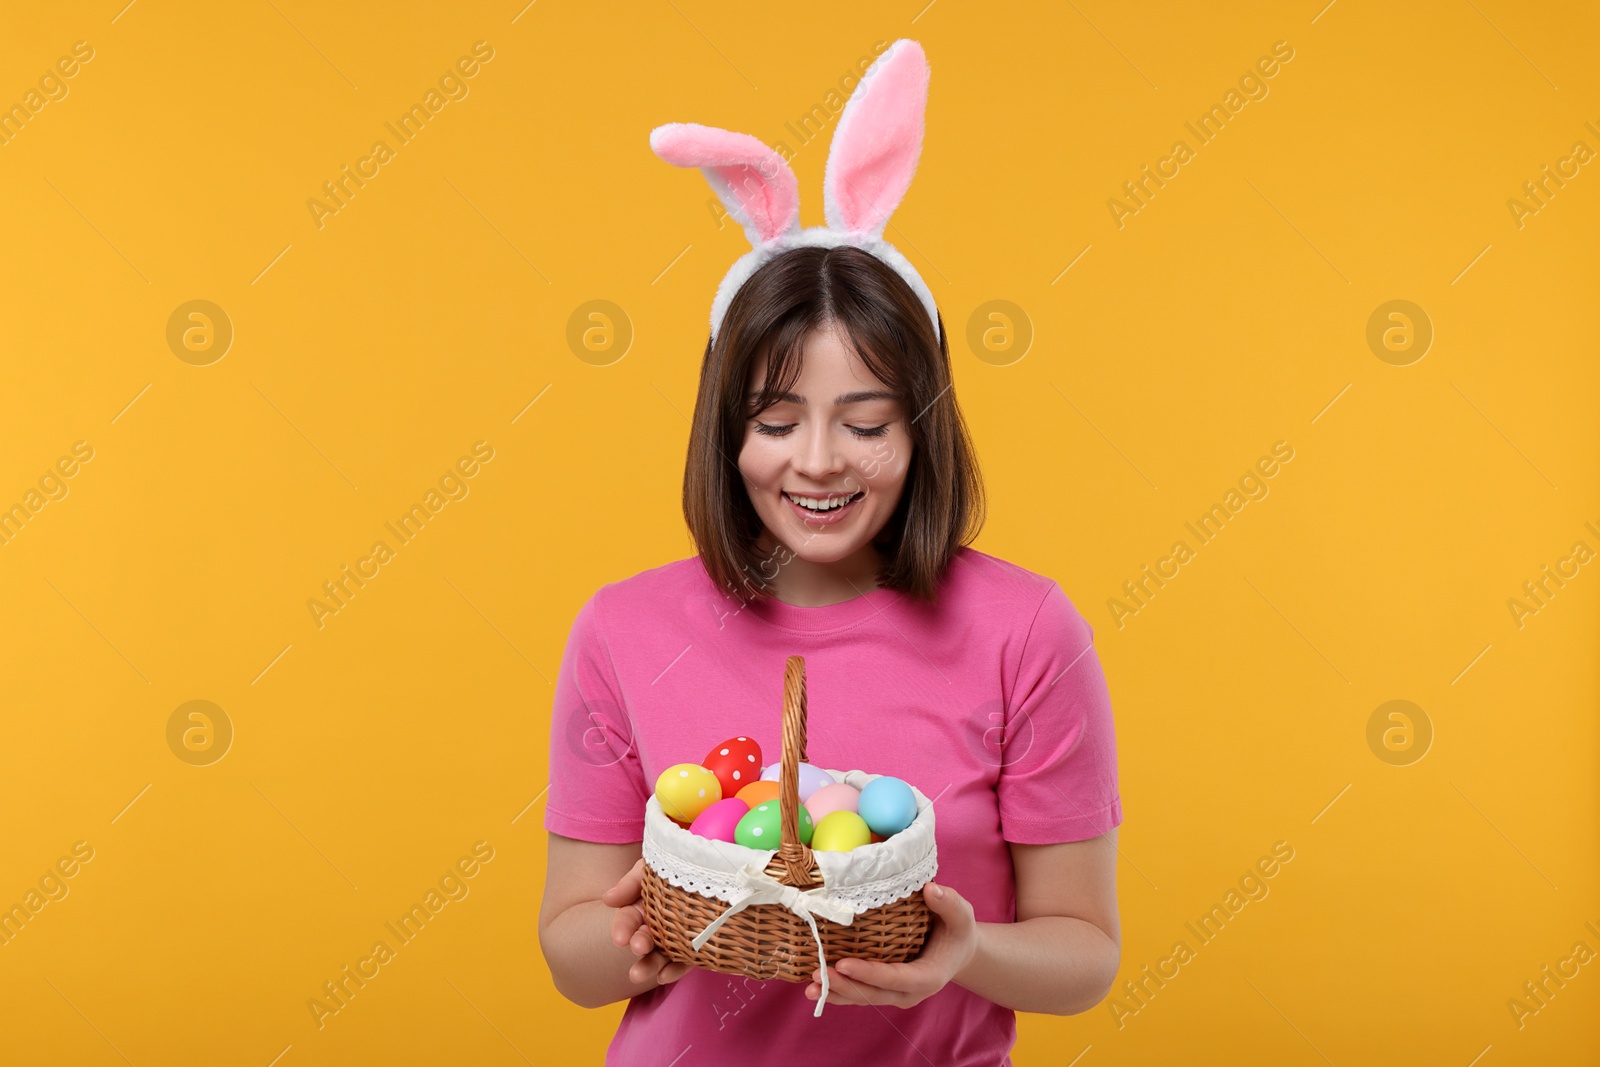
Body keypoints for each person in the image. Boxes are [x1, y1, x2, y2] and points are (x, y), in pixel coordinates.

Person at [539, 38, 1121, 1065]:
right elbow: (569, 953)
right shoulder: (622, 629)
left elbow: (1084, 952)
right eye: (774, 419)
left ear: (920, 427)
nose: (816, 461)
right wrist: (644, 934)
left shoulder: (1026, 632)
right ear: (725, 430)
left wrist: (964, 947)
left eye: (864, 421)